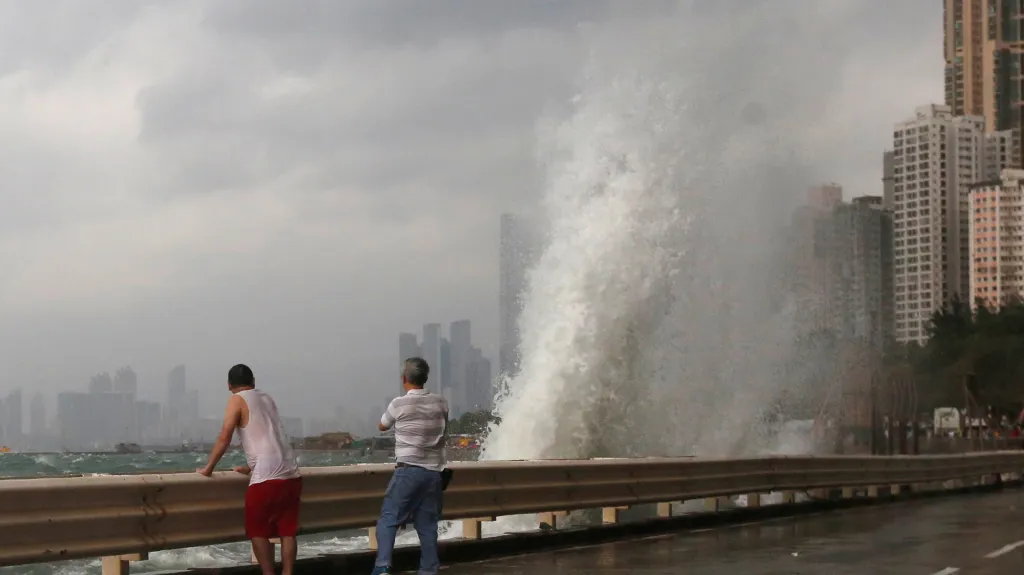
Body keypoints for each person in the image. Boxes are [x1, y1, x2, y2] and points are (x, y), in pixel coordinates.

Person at [198, 364, 302, 575]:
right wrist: (250, 466)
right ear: (253, 381)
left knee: (257, 531)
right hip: (291, 474)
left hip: (266, 478)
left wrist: (208, 468)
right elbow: (268, 436)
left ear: (229, 385)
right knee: (287, 531)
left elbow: (225, 437)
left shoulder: (237, 400)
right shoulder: (266, 398)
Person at [371, 357, 449, 575]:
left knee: (388, 519)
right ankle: (429, 570)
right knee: (427, 526)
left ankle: (383, 567)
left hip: (408, 470)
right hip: (434, 474)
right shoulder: (441, 402)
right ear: (425, 378)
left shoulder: (398, 404)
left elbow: (383, 425)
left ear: (404, 378)